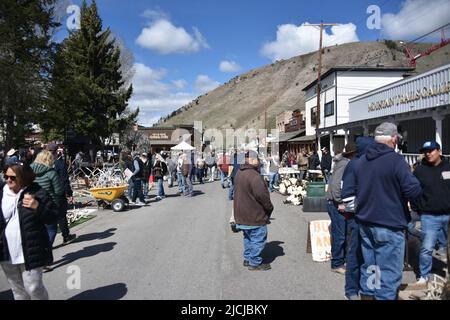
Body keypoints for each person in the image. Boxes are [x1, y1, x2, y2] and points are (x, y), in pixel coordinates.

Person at [351, 123, 422, 300]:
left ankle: (368, 296)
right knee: (388, 275)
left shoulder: (360, 161)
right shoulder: (396, 161)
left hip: (365, 223)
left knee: (371, 268)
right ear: (394, 139)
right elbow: (413, 191)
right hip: (389, 225)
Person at [0, 162, 58, 299]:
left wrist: (37, 206)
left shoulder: (37, 192)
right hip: (6, 251)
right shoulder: (2, 193)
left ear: (24, 177)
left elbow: (53, 216)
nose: (8, 180)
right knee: (18, 291)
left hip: (31, 250)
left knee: (34, 288)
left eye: (13, 177)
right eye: (6, 176)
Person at [340, 136, 376, 300]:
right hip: (356, 218)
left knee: (371, 257)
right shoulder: (354, 165)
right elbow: (347, 196)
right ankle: (352, 290)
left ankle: (369, 289)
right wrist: (367, 207)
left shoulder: (373, 164)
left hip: (372, 218)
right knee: (355, 255)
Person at [413, 141, 450, 286]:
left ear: (439, 151)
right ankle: (424, 276)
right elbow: (413, 191)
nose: (428, 153)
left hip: (449, 215)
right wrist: (418, 207)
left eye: (431, 150)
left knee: (447, 249)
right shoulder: (420, 171)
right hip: (429, 216)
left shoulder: (448, 167)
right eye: (425, 151)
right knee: (426, 248)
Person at [234, 150, 274, 271]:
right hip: (254, 214)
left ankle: (248, 258)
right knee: (257, 238)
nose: (259, 161)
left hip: (242, 213)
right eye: (257, 159)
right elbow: (263, 197)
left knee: (248, 237)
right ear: (251, 160)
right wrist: (269, 208)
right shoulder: (254, 176)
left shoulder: (239, 173)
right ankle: (255, 262)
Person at [326, 143, 357, 278]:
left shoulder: (345, 163)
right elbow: (336, 184)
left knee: (343, 233)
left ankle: (342, 260)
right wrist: (340, 201)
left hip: (337, 202)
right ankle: (337, 263)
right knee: (340, 234)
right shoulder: (345, 164)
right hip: (336, 203)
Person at [46, 144, 76, 245]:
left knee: (48, 219)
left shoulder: (41, 164)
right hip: (58, 193)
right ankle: (66, 237)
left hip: (45, 194)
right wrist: (69, 193)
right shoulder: (59, 163)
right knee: (61, 216)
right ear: (56, 152)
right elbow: (64, 180)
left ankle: (47, 242)